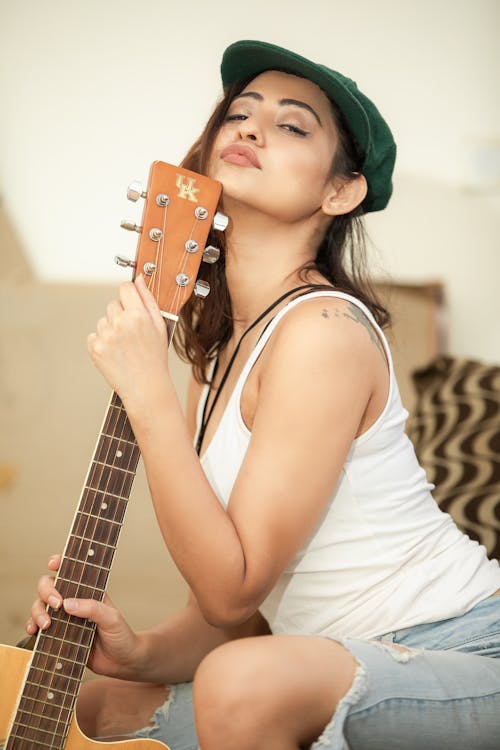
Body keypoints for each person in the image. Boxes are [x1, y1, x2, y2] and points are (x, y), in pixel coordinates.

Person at [28, 40, 500, 750]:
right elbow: (232, 617)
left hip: (465, 652)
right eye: (238, 115)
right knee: (98, 712)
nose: (249, 129)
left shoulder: (325, 331)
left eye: (291, 125)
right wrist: (137, 652)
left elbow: (233, 589)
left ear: (339, 193)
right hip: (313, 656)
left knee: (242, 684)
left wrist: (149, 392)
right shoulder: (224, 350)